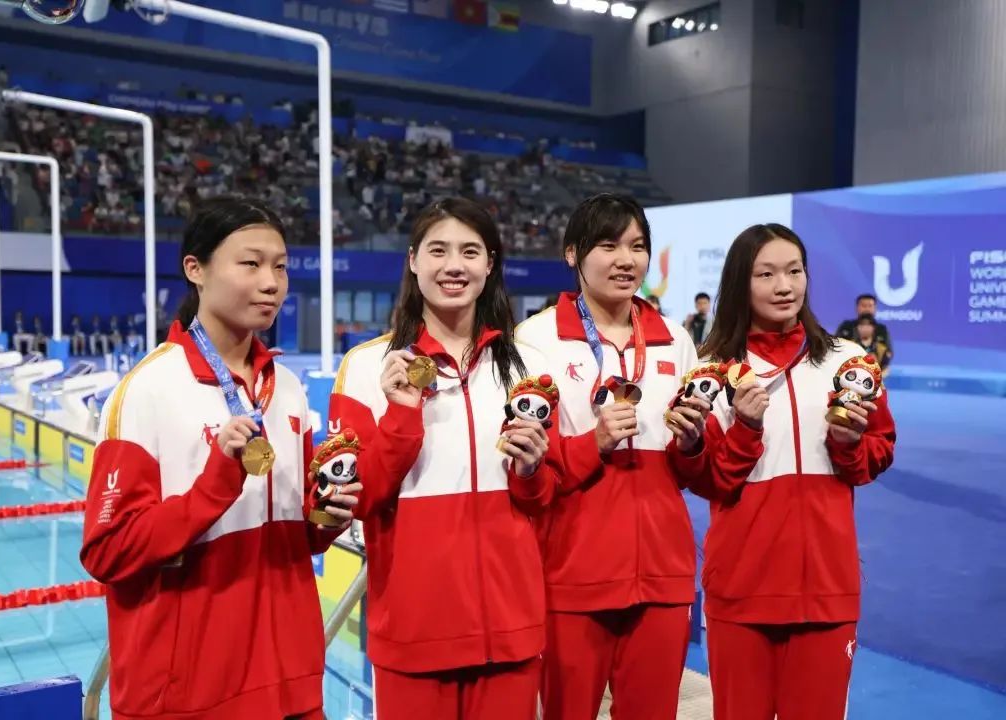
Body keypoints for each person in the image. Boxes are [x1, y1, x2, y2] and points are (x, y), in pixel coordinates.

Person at [80, 197, 360, 720]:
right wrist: (216, 482)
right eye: (250, 263)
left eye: (280, 267)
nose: (271, 283)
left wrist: (327, 515)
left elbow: (299, 537)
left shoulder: (287, 389)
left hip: (291, 683)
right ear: (196, 269)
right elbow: (107, 552)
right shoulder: (147, 390)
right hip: (189, 696)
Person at [329, 197, 560, 719]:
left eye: (470, 252)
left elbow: (545, 496)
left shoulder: (528, 368)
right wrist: (401, 415)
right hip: (414, 633)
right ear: (413, 260)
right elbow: (359, 498)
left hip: (509, 630)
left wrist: (530, 472)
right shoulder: (366, 368)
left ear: (490, 264)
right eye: (438, 251)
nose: (454, 265)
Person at [667, 223, 896, 720]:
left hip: (826, 590)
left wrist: (848, 445)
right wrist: (745, 429)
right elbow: (704, 478)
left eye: (794, 271)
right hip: (741, 591)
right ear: (740, 283)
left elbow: (879, 450)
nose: (784, 286)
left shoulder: (848, 362)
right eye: (766, 274)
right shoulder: (711, 370)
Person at [515, 193, 704, 720]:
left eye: (638, 246)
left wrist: (694, 444)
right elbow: (525, 469)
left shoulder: (675, 341)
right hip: (572, 573)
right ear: (572, 254)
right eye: (608, 245)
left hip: (663, 573)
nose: (626, 260)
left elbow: (691, 471)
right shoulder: (534, 342)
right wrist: (592, 444)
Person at [836, 294, 892, 358]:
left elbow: (888, 353)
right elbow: (836, 348)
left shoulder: (881, 329)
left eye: (870, 306)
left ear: (875, 308)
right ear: (857, 308)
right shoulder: (846, 326)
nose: (867, 309)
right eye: (863, 306)